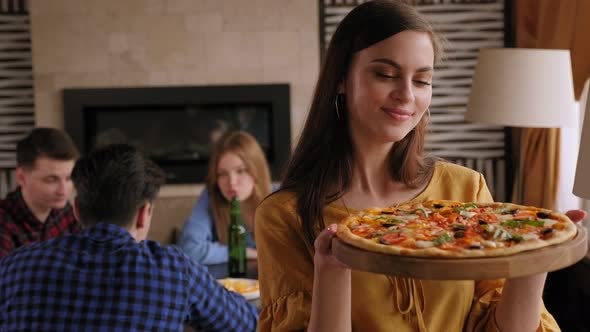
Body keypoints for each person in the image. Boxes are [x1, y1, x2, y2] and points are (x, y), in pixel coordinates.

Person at [255, 1, 584, 331]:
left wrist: (536, 253)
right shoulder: (284, 217)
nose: (406, 94)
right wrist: (332, 270)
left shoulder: (465, 190)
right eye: (386, 74)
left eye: (422, 80)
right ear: (340, 79)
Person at [0, 144, 258, 331]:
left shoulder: (17, 265)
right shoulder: (175, 270)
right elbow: (247, 324)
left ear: (76, 209)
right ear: (144, 214)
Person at [178, 130, 273, 264]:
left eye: (240, 171)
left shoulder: (279, 198)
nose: (232, 182)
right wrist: (244, 252)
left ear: (256, 169)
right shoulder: (211, 195)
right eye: (222, 174)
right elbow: (189, 250)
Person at [0, 127, 81, 259]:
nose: (63, 190)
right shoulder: (4, 224)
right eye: (51, 179)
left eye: (69, 178)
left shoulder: (65, 211)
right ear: (21, 177)